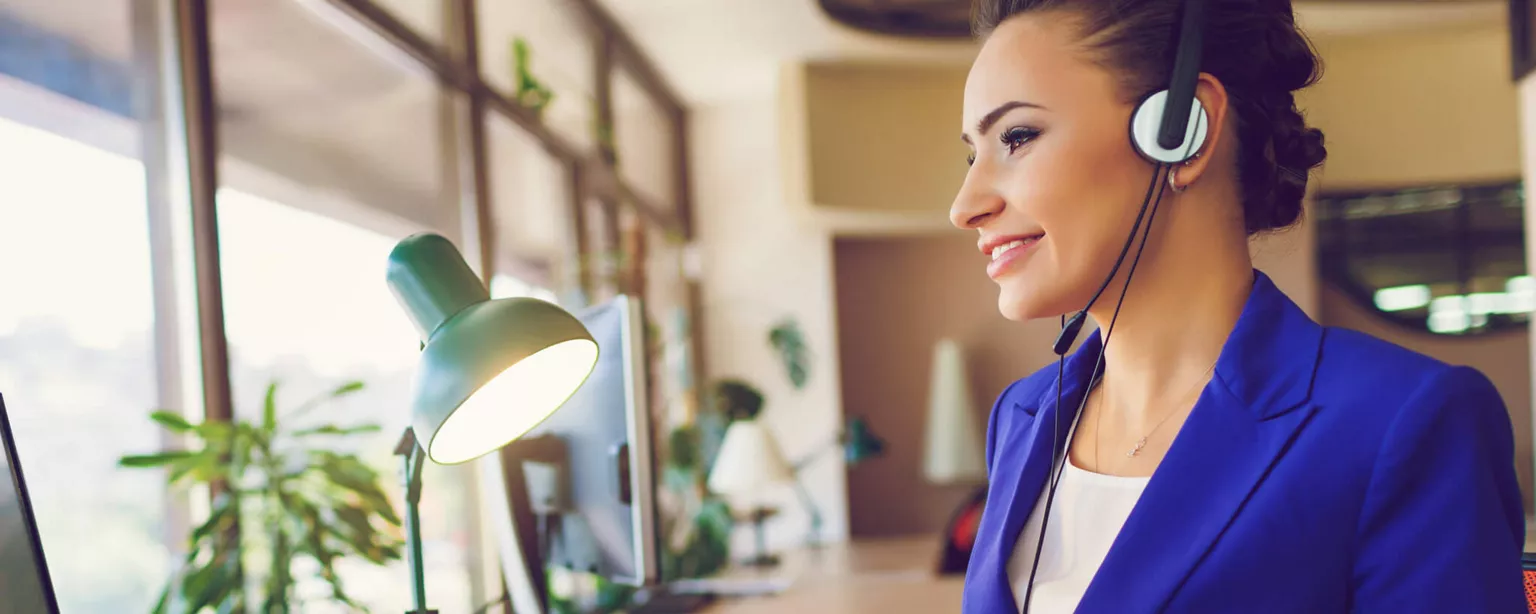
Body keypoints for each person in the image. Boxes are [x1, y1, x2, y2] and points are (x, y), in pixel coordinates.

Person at [950, 0, 1527, 612]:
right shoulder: (1022, 416)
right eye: (972, 154)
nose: (965, 204)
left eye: (1017, 137)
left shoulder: (1404, 425)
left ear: (1181, 131)